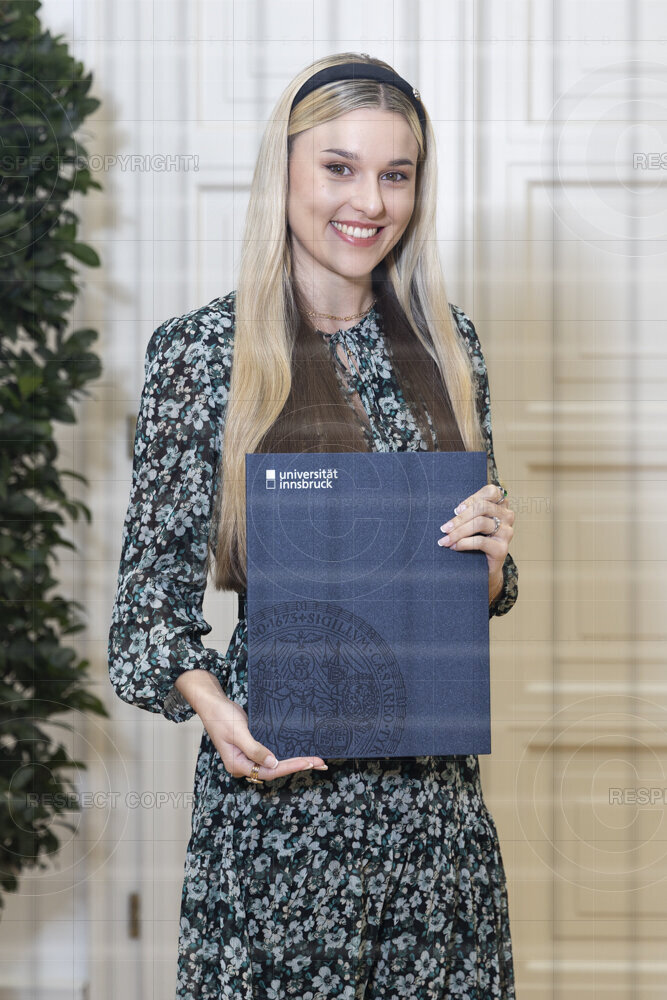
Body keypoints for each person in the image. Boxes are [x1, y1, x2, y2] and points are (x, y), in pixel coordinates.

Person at [108, 51, 519, 1000]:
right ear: (283, 169)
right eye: (339, 167)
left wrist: (492, 559)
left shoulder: (449, 346)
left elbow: (481, 593)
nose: (368, 202)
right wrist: (218, 715)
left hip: (434, 823)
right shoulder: (202, 354)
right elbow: (145, 615)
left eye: (395, 174)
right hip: (279, 812)